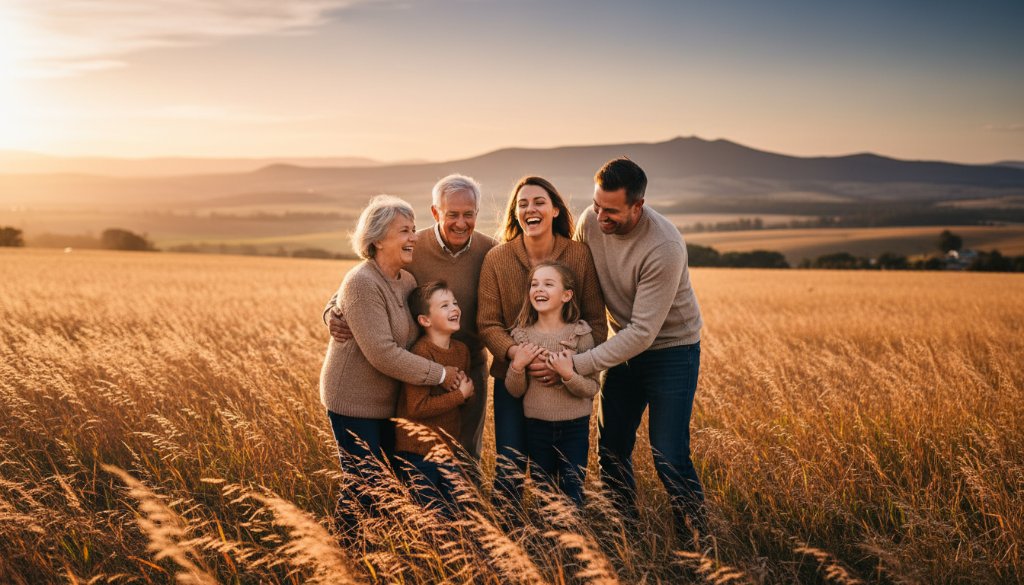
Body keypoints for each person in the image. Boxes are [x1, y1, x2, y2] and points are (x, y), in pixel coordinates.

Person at [565, 157, 706, 540]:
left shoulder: (664, 246)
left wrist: (580, 363)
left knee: (668, 454)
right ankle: (623, 530)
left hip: (672, 351)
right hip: (623, 346)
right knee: (611, 446)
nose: (600, 216)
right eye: (597, 205)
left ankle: (696, 540)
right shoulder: (588, 221)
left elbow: (644, 332)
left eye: (611, 210)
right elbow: (578, 284)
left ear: (637, 206)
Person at [319, 195, 465, 535]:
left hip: (390, 403)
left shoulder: (407, 281)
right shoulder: (362, 282)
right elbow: (383, 353)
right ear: (377, 239)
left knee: (386, 486)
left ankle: (375, 555)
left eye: (414, 229)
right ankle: (345, 555)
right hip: (354, 402)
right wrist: (441, 374)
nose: (414, 236)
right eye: (404, 230)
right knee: (363, 486)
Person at [325, 175, 496, 459]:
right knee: (413, 458)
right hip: (415, 373)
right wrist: (331, 311)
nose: (461, 223)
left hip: (466, 365)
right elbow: (357, 286)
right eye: (452, 214)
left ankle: (464, 504)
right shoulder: (412, 248)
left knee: (463, 455)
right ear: (436, 212)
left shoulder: (490, 251)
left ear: (477, 213)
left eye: (469, 214)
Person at [477, 176, 607, 510]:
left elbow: (594, 320)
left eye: (538, 202)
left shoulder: (579, 254)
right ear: (514, 213)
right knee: (509, 464)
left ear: (554, 210)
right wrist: (515, 353)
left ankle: (562, 540)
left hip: (566, 384)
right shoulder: (497, 258)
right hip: (513, 376)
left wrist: (572, 366)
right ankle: (506, 541)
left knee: (563, 473)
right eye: (522, 204)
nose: (530, 209)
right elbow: (487, 322)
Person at [505, 262, 598, 506]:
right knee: (543, 492)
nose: (539, 289)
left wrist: (568, 375)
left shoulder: (579, 334)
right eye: (534, 284)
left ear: (567, 295)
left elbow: (591, 388)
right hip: (536, 427)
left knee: (572, 491)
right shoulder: (522, 336)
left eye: (548, 284)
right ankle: (547, 542)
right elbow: (515, 390)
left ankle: (573, 541)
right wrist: (517, 365)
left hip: (575, 427)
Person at [394, 280, 475, 515]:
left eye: (455, 303)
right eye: (445, 305)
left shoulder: (461, 351)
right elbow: (417, 407)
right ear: (425, 320)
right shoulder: (421, 352)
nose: (454, 309)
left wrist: (467, 393)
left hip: (448, 450)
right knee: (428, 515)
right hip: (418, 453)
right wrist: (460, 395)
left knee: (456, 514)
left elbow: (466, 394)